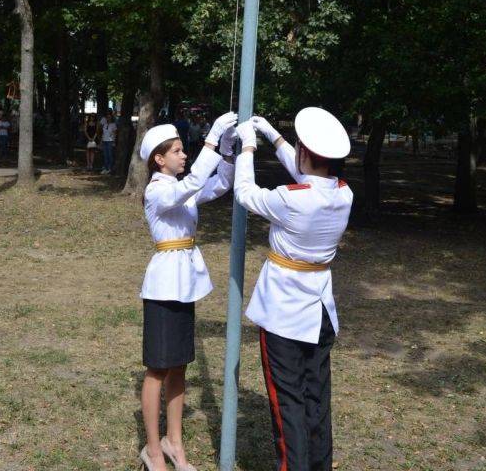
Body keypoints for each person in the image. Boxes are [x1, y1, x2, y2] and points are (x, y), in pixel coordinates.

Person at [234, 108, 353, 471]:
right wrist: (275, 137)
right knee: (316, 398)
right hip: (320, 311)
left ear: (305, 153)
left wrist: (248, 149)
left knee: (288, 404)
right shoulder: (343, 193)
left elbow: (244, 193)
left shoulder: (291, 198)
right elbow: (309, 174)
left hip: (285, 313)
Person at [139, 111, 237, 471]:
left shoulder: (183, 189)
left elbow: (221, 184)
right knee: (157, 369)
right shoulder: (158, 189)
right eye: (178, 151)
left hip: (184, 285)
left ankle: (173, 442)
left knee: (179, 365)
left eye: (184, 149)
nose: (184, 155)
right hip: (164, 285)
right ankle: (152, 449)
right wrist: (211, 138)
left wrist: (227, 150)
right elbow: (192, 183)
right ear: (158, 159)